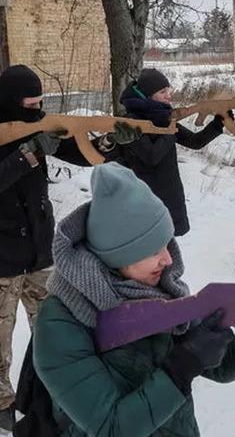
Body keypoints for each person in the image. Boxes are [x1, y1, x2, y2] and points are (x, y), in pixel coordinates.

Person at [32, 162, 235, 436]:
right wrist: (179, 370)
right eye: (152, 250)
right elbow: (111, 428)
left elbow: (216, 366)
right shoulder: (59, 323)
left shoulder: (162, 291)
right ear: (117, 255)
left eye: (166, 243)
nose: (168, 259)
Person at [0, 65, 138, 431]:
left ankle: (49, 393)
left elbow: (77, 152)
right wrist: (27, 155)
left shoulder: (38, 124)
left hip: (40, 253)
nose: (37, 109)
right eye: (30, 104)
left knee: (54, 330)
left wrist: (109, 143)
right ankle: (1, 404)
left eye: (41, 103)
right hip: (1, 259)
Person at [115, 68, 226, 236]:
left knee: (167, 249)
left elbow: (194, 142)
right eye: (162, 91)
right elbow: (151, 156)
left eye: (169, 90)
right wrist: (169, 132)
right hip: (145, 197)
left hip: (169, 194)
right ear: (148, 95)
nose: (169, 95)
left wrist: (218, 123)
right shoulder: (132, 123)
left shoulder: (163, 117)